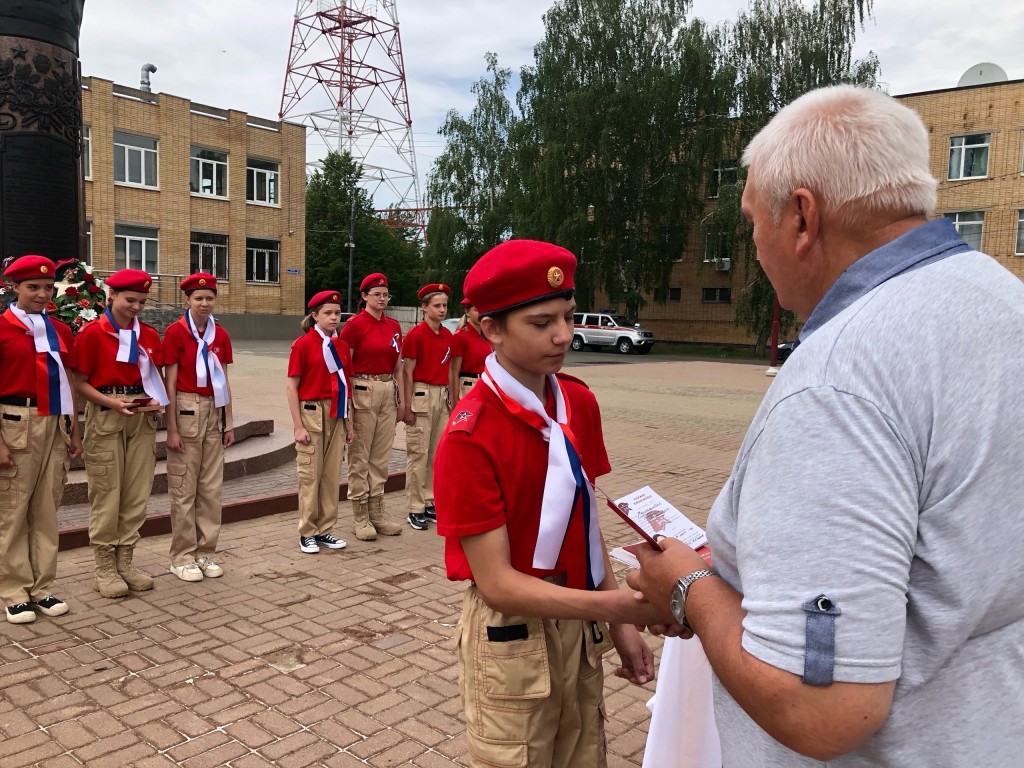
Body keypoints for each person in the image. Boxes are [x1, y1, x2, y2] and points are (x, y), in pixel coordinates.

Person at [628, 85, 1024, 766]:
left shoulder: (841, 381)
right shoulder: (1002, 301)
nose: (753, 245)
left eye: (753, 221)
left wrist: (690, 590)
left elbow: (820, 706)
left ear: (802, 217)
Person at [434, 239, 657, 767]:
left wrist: (620, 623)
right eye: (540, 323)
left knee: (584, 754)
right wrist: (617, 605)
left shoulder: (575, 401)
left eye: (567, 316)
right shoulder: (471, 434)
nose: (562, 335)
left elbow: (585, 519)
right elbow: (498, 583)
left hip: (580, 618)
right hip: (514, 637)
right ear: (490, 328)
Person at [73, 268, 168, 598]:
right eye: (130, 300)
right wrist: (111, 402)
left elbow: (154, 378)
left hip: (141, 421)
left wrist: (157, 401)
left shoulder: (150, 336)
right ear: (110, 296)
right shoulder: (91, 334)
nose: (137, 307)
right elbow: (78, 382)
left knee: (136, 493)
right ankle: (104, 567)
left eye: (142, 301)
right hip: (106, 418)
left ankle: (126, 561)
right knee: (107, 493)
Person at [0, 255, 82, 623]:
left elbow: (69, 383)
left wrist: (75, 428)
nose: (41, 294)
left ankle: (42, 586)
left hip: (55, 421)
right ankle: (14, 588)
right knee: (13, 509)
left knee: (47, 507)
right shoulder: (2, 328)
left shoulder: (60, 331)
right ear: (13, 287)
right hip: (16, 421)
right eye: (33, 287)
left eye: (48, 288)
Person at [162, 273, 234, 582]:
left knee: (210, 489)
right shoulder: (176, 333)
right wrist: (172, 428)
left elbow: (225, 380)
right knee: (184, 488)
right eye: (198, 298)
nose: (204, 303)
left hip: (214, 413)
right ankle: (182, 555)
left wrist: (229, 422)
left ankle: (206, 552)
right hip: (187, 408)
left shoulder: (222, 334)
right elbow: (170, 381)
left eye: (209, 298)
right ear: (187, 300)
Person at [286, 290, 354, 555]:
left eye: (337, 313)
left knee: (330, 476)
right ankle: (307, 531)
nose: (334, 317)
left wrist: (350, 423)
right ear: (314, 315)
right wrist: (298, 425)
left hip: (337, 414)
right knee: (310, 475)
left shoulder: (342, 346)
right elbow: (292, 387)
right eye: (328, 313)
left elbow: (346, 385)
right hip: (312, 412)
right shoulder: (302, 345)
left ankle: (325, 529)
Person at [339, 272, 405, 541]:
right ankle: (360, 516)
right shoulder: (355, 326)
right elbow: (345, 366)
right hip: (362, 389)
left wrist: (402, 401)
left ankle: (378, 513)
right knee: (360, 456)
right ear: (364, 296)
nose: (382, 299)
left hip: (387, 389)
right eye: (376, 294)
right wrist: (349, 407)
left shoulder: (394, 325)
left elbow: (398, 365)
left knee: (380, 457)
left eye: (385, 294)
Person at [401, 283, 452, 531]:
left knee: (435, 453)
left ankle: (429, 500)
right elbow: (407, 372)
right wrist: (407, 405)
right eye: (437, 305)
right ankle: (414, 506)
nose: (442, 310)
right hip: (421, 393)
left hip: (441, 395)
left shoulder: (447, 336)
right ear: (424, 308)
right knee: (418, 453)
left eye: (444, 305)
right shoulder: (415, 335)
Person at [448, 298, 491, 406]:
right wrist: (454, 401)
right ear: (467, 312)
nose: (480, 313)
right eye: (476, 310)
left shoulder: (489, 336)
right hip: (468, 386)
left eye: (483, 309)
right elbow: (454, 372)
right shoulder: (461, 337)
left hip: (487, 385)